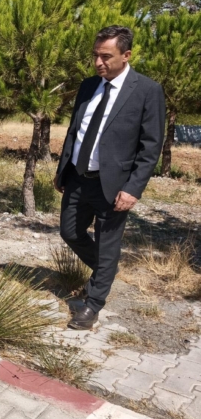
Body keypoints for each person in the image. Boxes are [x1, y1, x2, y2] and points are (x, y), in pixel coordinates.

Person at [54, 25, 165, 330]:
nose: (98, 63)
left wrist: (133, 188)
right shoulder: (89, 86)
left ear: (126, 55)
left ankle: (93, 303)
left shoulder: (146, 90)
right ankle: (106, 273)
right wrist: (63, 170)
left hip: (114, 184)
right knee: (70, 232)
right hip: (78, 177)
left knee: (108, 244)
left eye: (106, 56)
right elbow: (74, 131)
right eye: (95, 55)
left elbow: (151, 146)